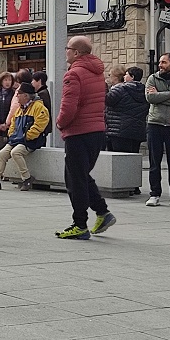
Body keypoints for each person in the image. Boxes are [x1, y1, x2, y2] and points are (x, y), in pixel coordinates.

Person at [54, 36, 117, 240]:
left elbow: (69, 106)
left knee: (75, 180)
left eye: (68, 48)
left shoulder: (73, 74)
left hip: (79, 132)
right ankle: (102, 211)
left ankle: (79, 224)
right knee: (81, 175)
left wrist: (60, 123)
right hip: (96, 131)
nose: (66, 52)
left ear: (77, 52)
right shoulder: (97, 73)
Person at [0, 82, 49, 191]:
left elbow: (39, 125)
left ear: (26, 96)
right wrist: (12, 135)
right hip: (17, 140)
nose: (16, 96)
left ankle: (26, 178)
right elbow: (13, 124)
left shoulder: (39, 108)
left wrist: (27, 137)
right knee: (2, 153)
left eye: (19, 94)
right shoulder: (20, 109)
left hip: (31, 141)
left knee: (15, 152)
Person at [144, 53, 170, 207]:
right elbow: (150, 98)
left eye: (164, 62)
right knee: (154, 161)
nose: (160, 65)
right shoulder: (152, 78)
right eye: (160, 62)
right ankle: (154, 194)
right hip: (155, 123)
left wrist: (160, 96)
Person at [105, 66, 149, 155]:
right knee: (133, 160)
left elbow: (107, 100)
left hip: (119, 131)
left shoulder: (120, 89)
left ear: (132, 77)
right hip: (137, 131)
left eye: (126, 74)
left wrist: (102, 87)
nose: (124, 77)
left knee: (119, 161)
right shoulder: (143, 90)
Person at [32, 71, 52, 139]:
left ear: (39, 81)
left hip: (42, 127)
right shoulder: (44, 92)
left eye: (33, 80)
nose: (32, 82)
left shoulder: (41, 94)